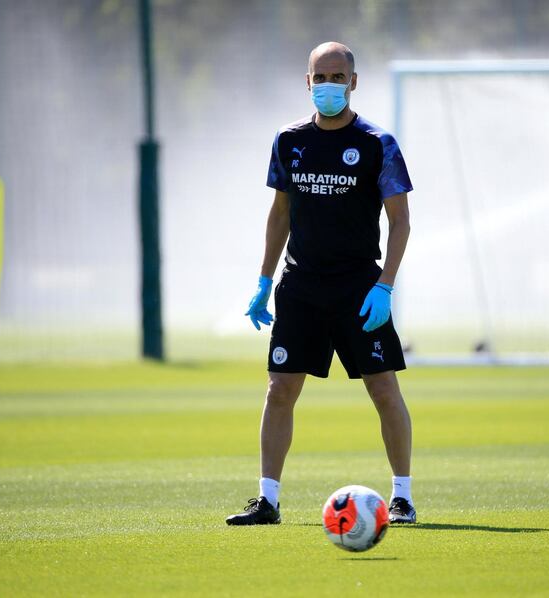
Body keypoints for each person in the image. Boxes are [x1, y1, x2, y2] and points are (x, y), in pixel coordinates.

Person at [226, 42, 415, 526]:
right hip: (301, 286)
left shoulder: (378, 143)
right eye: (320, 77)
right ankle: (267, 500)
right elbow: (280, 213)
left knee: (384, 390)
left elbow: (401, 223)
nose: (328, 85)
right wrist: (264, 281)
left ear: (354, 82)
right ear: (306, 82)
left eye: (338, 77)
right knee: (279, 390)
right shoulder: (288, 140)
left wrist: (385, 286)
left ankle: (403, 497)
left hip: (358, 286)